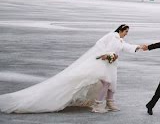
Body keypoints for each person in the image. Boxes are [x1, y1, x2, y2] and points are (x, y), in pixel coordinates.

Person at [0, 24, 148, 114]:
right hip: (102, 63)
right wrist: (105, 54)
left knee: (111, 84)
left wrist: (139, 47)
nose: (126, 34)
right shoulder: (111, 35)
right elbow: (99, 44)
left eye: (127, 33)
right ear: (121, 29)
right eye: (126, 31)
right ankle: (98, 105)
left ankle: (109, 103)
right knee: (106, 83)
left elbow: (126, 47)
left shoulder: (120, 40)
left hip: (111, 64)